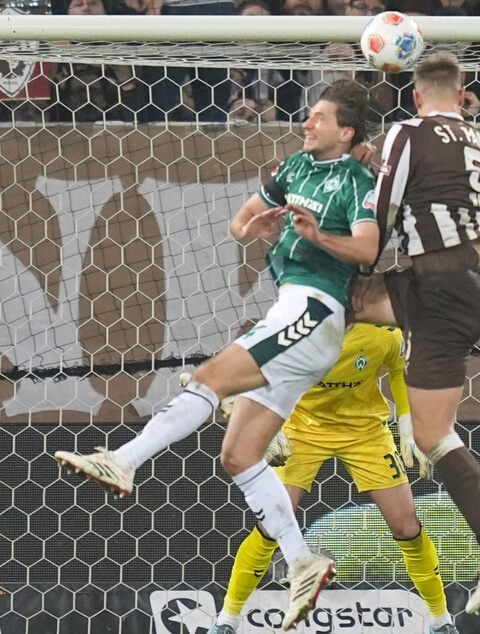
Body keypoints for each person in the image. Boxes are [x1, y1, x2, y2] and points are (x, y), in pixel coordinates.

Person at [55, 79, 381, 632]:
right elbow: (242, 219)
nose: (306, 124)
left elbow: (368, 250)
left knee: (209, 377)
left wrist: (319, 237)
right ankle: (303, 561)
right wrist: (251, 228)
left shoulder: (358, 180)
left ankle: (126, 460)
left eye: (318, 119)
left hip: (317, 308)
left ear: (345, 131)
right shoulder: (292, 170)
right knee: (239, 454)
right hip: (291, 309)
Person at [348, 51, 480, 615]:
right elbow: (433, 188)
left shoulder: (406, 129)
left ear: (418, 94)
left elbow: (384, 204)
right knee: (341, 307)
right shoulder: (478, 139)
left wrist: (360, 254)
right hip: (457, 285)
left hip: (440, 287)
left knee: (337, 291)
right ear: (462, 90)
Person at [210, 323, 458, 634]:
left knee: (406, 525)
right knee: (270, 524)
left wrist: (408, 429)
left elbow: (398, 368)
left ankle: (441, 621)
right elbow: (260, 374)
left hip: (366, 433)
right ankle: (227, 621)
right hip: (302, 431)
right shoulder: (294, 330)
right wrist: (262, 424)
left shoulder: (382, 333)